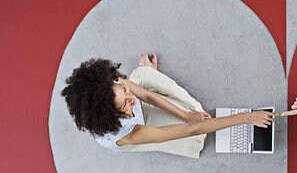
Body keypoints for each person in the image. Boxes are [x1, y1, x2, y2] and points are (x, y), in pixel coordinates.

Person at [61, 53, 275, 158]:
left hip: (133, 113)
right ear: (112, 114)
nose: (131, 98)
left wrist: (184, 114)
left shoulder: (112, 85)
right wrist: (248, 117)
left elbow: (145, 95)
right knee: (194, 137)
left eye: (125, 91)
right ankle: (148, 74)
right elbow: (193, 129)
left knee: (149, 81)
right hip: (138, 129)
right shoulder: (127, 134)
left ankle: (147, 71)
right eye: (125, 104)